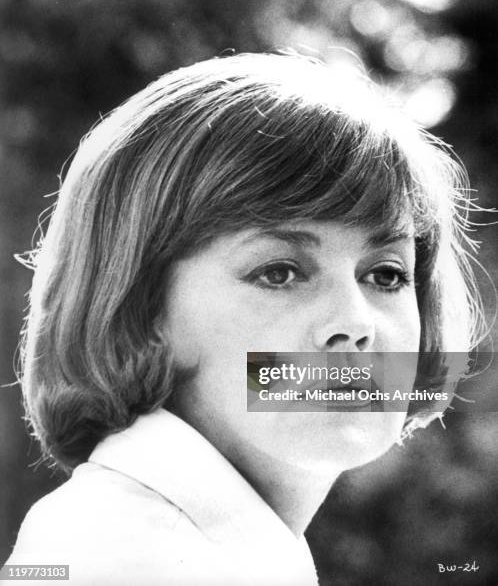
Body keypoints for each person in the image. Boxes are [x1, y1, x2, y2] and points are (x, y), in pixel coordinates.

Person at [2, 52, 485, 585]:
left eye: (387, 276)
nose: (356, 320)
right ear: (143, 309)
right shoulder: (124, 555)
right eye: (280, 272)